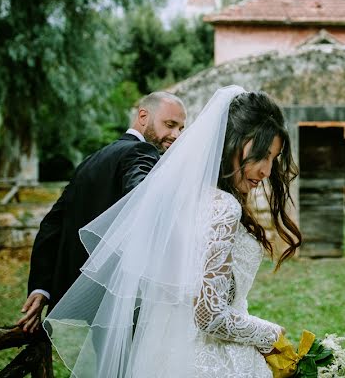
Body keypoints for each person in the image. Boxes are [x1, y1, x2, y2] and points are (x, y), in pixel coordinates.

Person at [44, 86, 302, 377]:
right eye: (261, 155)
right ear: (233, 142)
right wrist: (271, 335)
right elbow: (210, 315)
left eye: (273, 159)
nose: (267, 170)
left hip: (160, 351)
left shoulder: (183, 197)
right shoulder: (223, 207)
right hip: (209, 358)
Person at [18, 91, 186, 333]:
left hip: (95, 303)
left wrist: (41, 288)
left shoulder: (92, 160)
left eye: (180, 128)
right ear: (143, 116)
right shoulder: (142, 153)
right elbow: (142, 194)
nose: (176, 135)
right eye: (169, 125)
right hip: (129, 300)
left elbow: (52, 224)